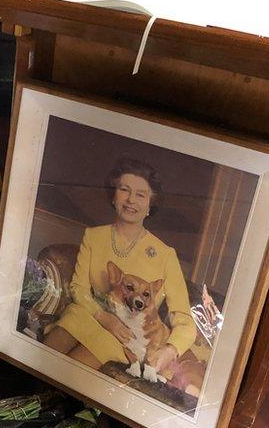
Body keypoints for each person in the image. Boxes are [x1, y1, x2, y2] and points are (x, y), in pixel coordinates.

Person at [43, 157, 197, 376]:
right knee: (47, 354)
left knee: (66, 375)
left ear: (150, 205)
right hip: (89, 315)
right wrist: (104, 318)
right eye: (124, 190)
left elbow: (185, 320)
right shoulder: (93, 236)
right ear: (114, 196)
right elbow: (78, 288)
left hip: (127, 335)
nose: (131, 200)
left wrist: (169, 351)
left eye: (140, 195)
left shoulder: (165, 255)